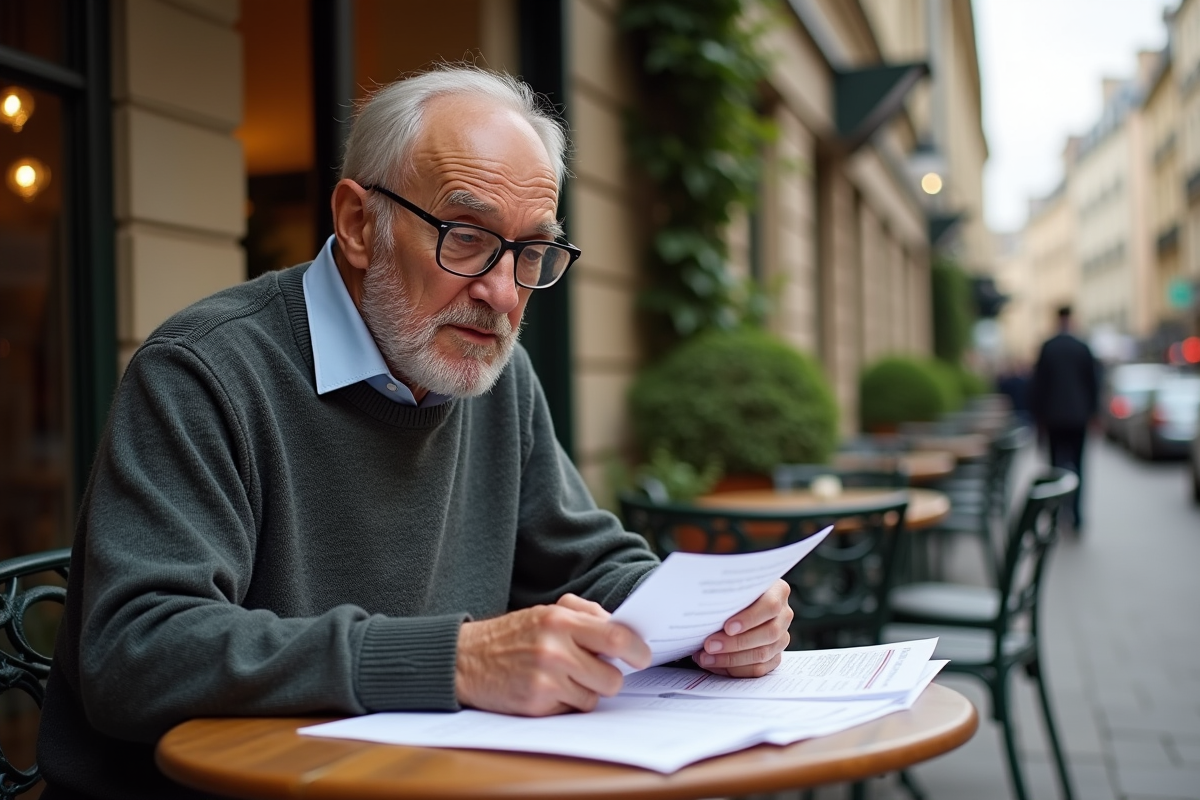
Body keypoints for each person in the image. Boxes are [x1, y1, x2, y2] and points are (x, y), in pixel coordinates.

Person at [37, 66, 793, 799]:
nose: (501, 292)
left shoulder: (496, 378)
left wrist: (705, 618)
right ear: (359, 223)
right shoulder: (206, 372)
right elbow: (136, 651)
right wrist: (452, 661)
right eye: (466, 236)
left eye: (531, 253)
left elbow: (586, 563)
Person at [1030, 305, 1100, 531]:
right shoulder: (1082, 347)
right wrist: (1094, 413)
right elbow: (1093, 383)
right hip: (1078, 417)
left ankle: (1056, 514)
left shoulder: (1048, 347)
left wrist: (1038, 418)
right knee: (1078, 467)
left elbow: (1038, 386)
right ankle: (1077, 516)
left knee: (1055, 468)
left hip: (1053, 417)